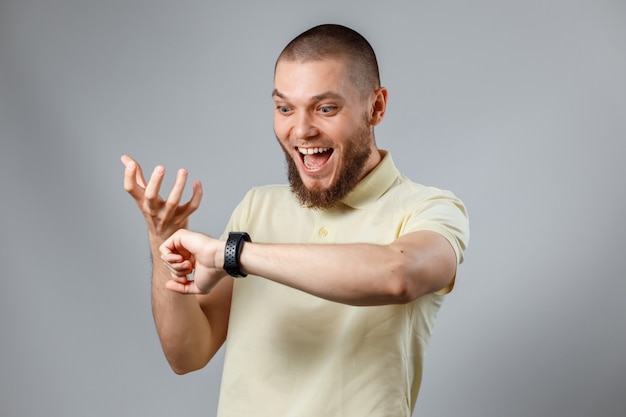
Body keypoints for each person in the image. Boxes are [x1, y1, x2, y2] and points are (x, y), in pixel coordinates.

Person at [122, 24, 469, 416]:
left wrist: (234, 254)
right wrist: (163, 239)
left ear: (376, 107)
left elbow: (398, 275)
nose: (301, 130)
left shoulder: (430, 208)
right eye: (285, 108)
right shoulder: (257, 207)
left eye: (326, 108)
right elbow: (187, 355)